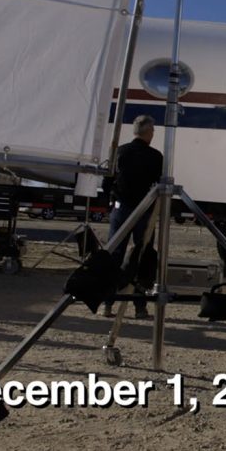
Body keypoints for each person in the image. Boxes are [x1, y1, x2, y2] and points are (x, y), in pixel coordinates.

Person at [103, 115, 163, 319]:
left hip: (121, 209)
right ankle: (140, 306)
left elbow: (108, 180)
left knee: (114, 255)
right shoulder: (155, 157)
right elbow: (158, 185)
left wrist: (110, 202)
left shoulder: (121, 152)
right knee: (142, 256)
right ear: (149, 133)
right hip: (143, 211)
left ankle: (108, 303)